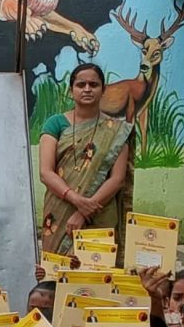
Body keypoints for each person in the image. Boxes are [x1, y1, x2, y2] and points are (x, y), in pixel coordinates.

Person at [37, 63, 135, 259]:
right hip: (59, 210)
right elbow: (46, 172)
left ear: (103, 90)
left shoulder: (117, 131)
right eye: (81, 85)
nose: (87, 89)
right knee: (56, 269)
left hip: (99, 211)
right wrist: (76, 200)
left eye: (94, 84)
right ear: (71, 90)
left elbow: (117, 179)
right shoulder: (55, 123)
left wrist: (84, 211)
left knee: (94, 268)